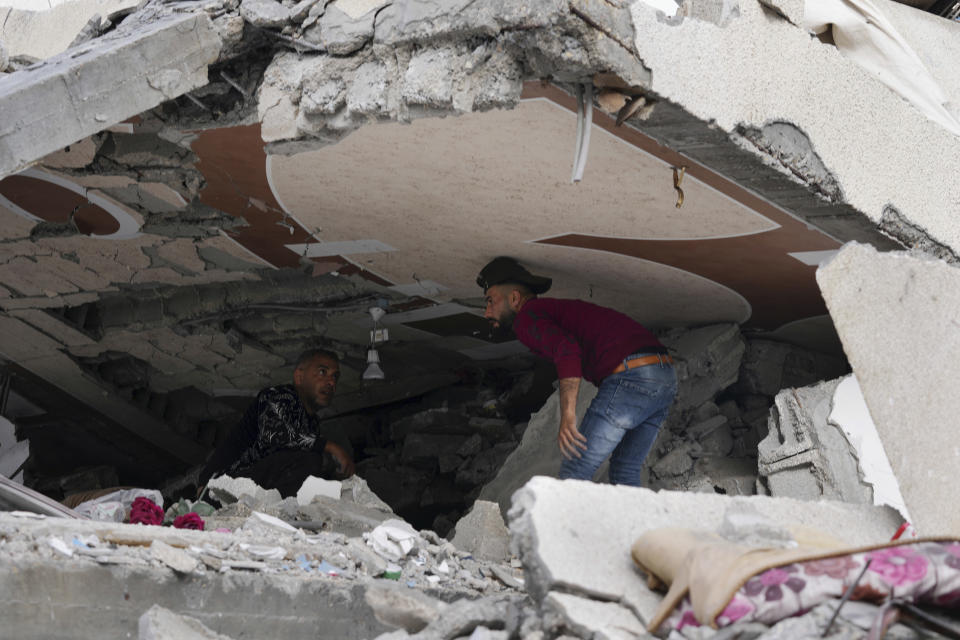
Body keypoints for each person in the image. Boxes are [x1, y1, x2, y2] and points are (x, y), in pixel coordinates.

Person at [478, 256, 677, 486]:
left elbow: (567, 350)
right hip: (664, 377)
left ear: (514, 298)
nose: (487, 312)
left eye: (490, 301)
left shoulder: (526, 319)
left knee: (576, 471)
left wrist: (568, 416)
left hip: (632, 376)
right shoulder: (553, 311)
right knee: (625, 469)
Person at [197, 348, 355, 496]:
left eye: (335, 377)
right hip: (220, 489)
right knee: (309, 460)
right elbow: (276, 435)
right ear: (299, 377)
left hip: (256, 489)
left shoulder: (311, 423)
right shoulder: (277, 397)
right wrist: (331, 447)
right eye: (323, 372)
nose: (331, 382)